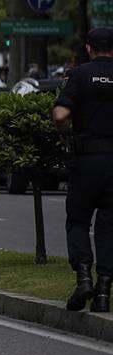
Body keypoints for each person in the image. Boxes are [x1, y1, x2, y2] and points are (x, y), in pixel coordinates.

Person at [55, 25, 113, 313]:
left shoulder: (79, 75)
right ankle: (104, 291)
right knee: (109, 225)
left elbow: (61, 113)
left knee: (78, 220)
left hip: (87, 161)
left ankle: (83, 278)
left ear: (89, 48)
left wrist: (63, 130)